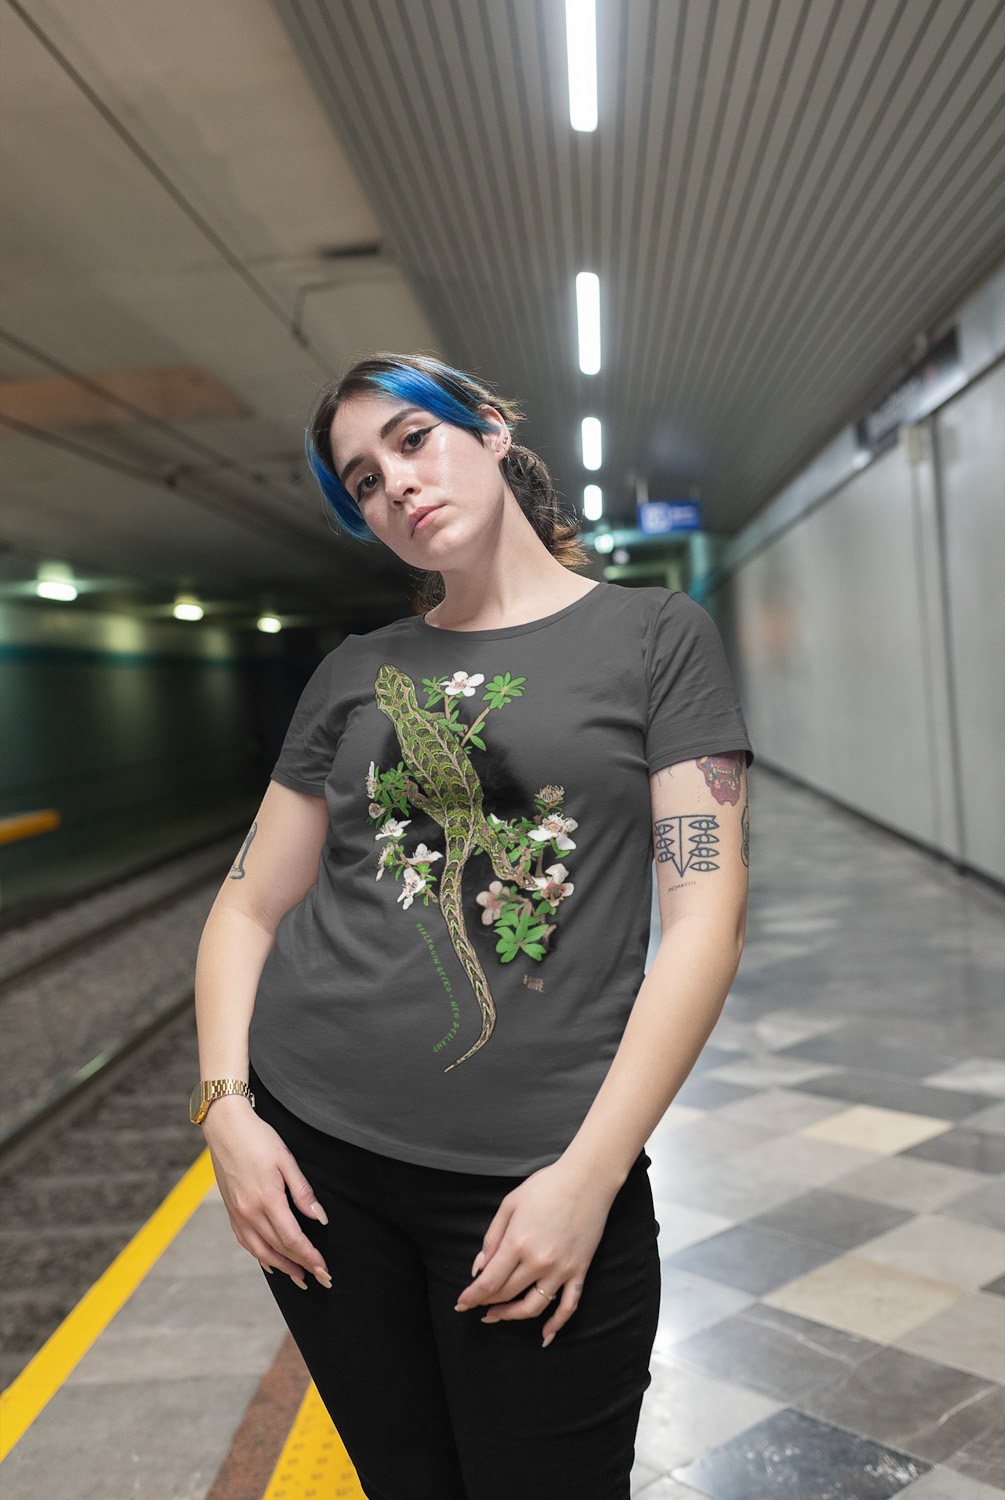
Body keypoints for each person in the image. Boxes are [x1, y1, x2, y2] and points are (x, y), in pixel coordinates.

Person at [192, 352, 753, 1500]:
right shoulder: (355, 673)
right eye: (362, 479)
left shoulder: (656, 636)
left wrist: (591, 1177)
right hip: (319, 1167)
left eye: (413, 439)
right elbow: (248, 904)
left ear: (491, 431)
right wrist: (226, 1111)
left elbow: (704, 920)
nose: (395, 482)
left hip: (536, 1175)